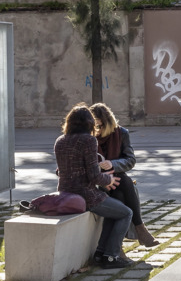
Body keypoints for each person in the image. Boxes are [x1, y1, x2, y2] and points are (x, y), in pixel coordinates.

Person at [55, 103, 135, 268]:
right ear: (88, 123)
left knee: (114, 210)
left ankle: (100, 254)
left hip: (65, 192)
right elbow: (94, 175)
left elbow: (60, 171)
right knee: (126, 213)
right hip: (86, 194)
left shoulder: (60, 141)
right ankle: (111, 257)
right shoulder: (89, 140)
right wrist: (109, 180)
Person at [90, 103, 155, 248]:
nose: (97, 130)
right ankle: (140, 229)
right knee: (125, 183)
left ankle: (117, 248)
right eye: (94, 126)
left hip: (117, 180)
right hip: (98, 183)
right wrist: (102, 175)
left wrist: (113, 164)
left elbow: (130, 160)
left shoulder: (121, 133)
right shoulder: (88, 138)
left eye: (100, 126)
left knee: (120, 193)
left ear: (108, 124)